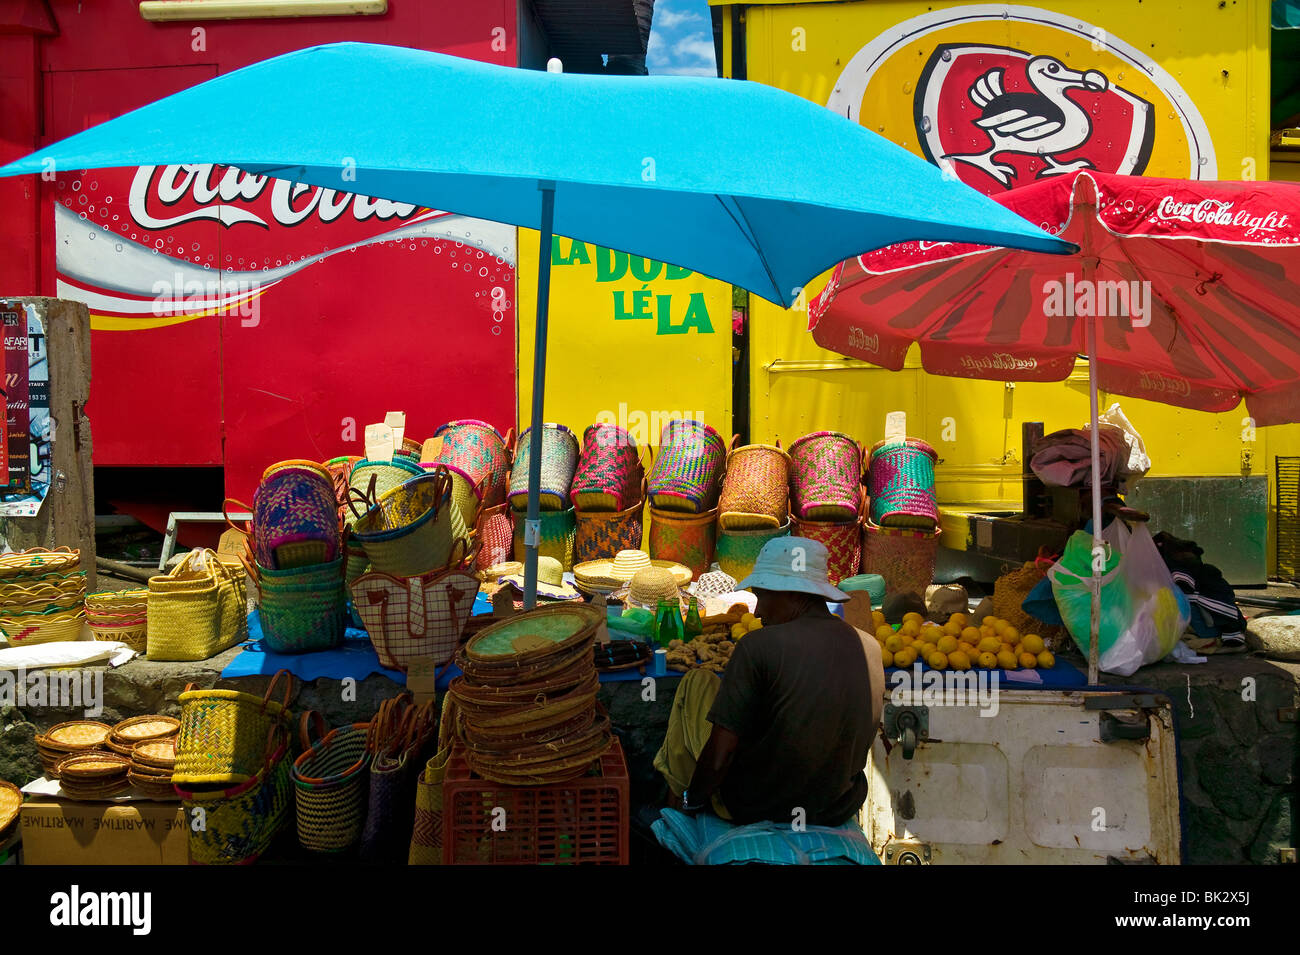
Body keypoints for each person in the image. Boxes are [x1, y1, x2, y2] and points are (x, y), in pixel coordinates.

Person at [653, 537, 883, 827]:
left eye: (762, 596)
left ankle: (677, 801)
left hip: (761, 806)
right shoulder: (870, 648)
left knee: (696, 681)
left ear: (792, 594)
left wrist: (695, 800)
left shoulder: (757, 645)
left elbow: (719, 756)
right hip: (835, 807)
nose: (758, 612)